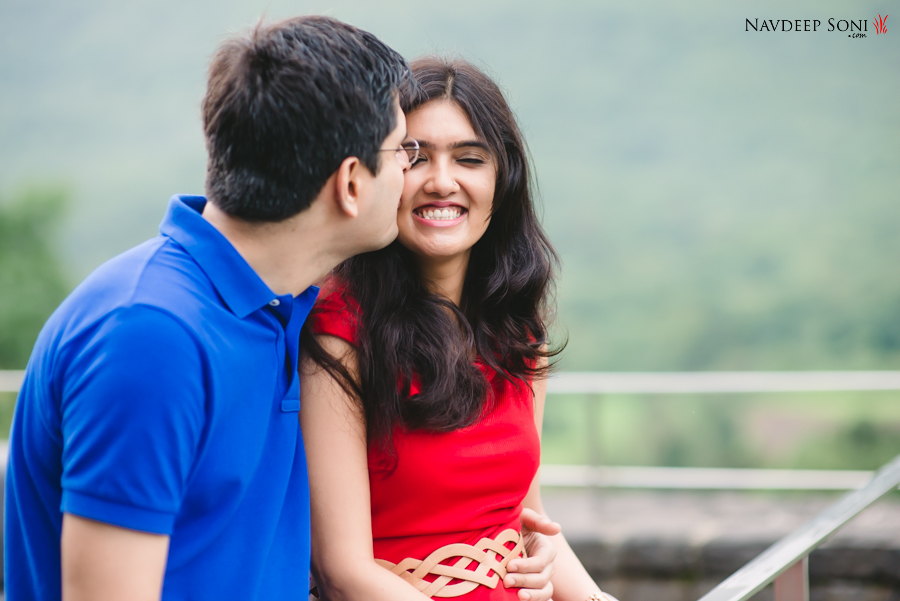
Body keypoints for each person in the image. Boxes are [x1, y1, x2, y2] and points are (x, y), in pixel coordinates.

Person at [4, 16, 414, 601]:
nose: (410, 169)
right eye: (403, 149)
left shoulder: (278, 308)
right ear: (352, 182)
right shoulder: (151, 336)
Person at [300, 57, 619, 601]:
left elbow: (526, 515)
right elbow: (343, 569)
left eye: (469, 159)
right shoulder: (339, 330)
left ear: (503, 179)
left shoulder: (518, 326)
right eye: (415, 158)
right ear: (378, 174)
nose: (442, 182)